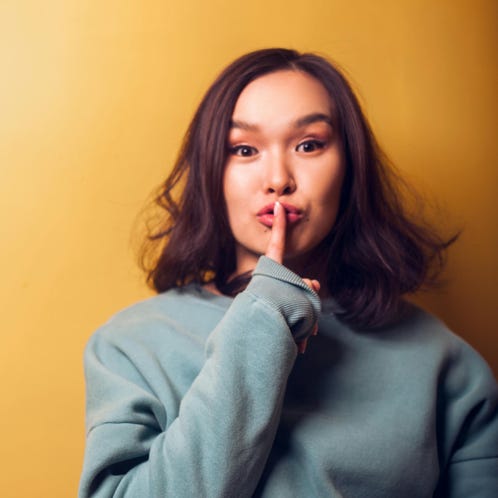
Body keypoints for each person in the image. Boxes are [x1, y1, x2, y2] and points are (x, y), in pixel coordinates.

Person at [79, 48, 498, 497]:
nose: (278, 178)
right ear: (210, 174)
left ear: (350, 168)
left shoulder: (443, 362)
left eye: (309, 145)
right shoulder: (131, 344)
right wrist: (266, 316)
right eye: (243, 149)